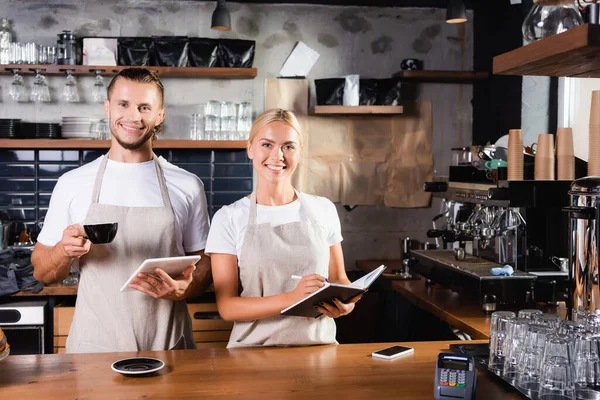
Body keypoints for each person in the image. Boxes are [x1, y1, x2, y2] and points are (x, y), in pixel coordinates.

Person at [31, 68, 212, 353]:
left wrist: (185, 288)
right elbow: (42, 271)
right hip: (94, 348)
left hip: (168, 346)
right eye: (123, 104)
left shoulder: (187, 185)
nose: (133, 117)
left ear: (160, 115)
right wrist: (64, 251)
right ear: (107, 108)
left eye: (144, 107)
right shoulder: (72, 183)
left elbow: (205, 265)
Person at [205, 108, 361, 348]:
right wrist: (291, 298)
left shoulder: (324, 209)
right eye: (267, 144)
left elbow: (340, 279)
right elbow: (227, 306)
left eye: (288, 146)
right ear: (250, 149)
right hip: (251, 354)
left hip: (319, 350)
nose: (277, 156)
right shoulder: (228, 218)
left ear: (300, 152)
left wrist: (347, 305)